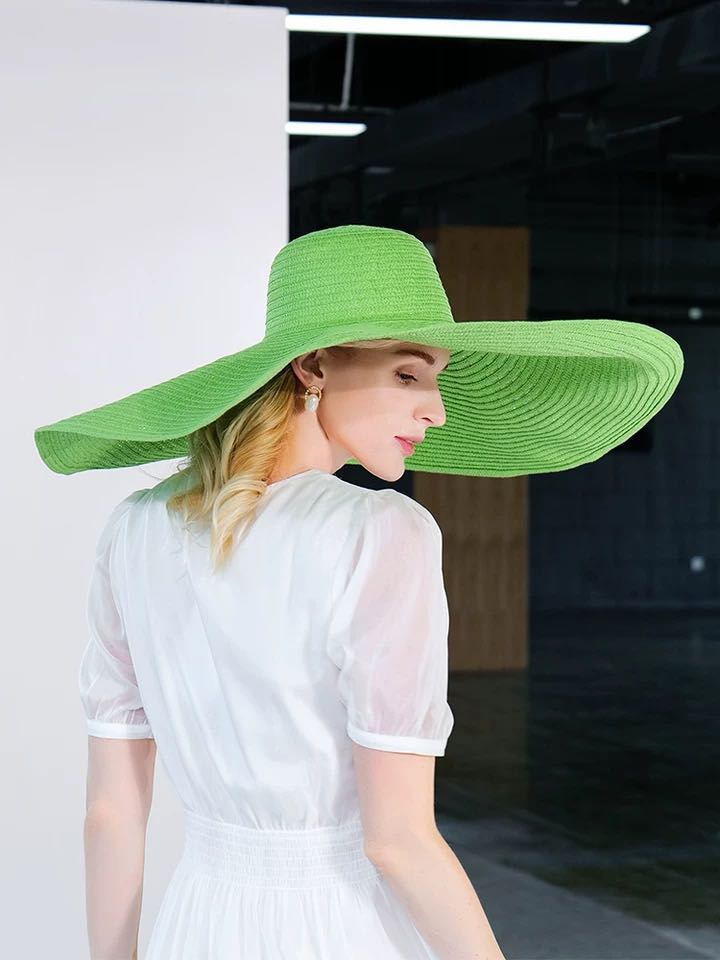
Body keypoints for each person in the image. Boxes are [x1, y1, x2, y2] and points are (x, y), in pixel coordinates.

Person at [34, 224, 684, 960]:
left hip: (197, 924)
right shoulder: (379, 532)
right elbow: (397, 841)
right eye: (409, 375)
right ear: (313, 366)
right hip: (341, 927)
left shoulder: (133, 530)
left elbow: (111, 813)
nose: (437, 410)